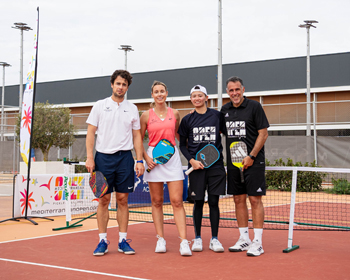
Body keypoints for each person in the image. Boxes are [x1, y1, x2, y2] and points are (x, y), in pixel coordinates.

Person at [85, 69, 145, 256]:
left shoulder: (132, 108)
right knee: (103, 200)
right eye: (118, 83)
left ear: (128, 87)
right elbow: (90, 133)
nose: (120, 87)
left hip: (125, 159)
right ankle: (102, 240)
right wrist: (89, 157)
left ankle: (122, 240)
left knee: (122, 200)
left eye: (124, 84)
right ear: (112, 84)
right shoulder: (100, 105)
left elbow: (137, 136)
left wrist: (140, 159)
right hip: (103, 158)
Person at [140, 81, 191, 256]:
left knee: (177, 201)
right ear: (152, 95)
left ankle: (184, 242)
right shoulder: (146, 115)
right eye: (156, 92)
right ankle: (160, 239)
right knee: (157, 202)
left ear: (167, 93)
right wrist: (146, 159)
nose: (160, 94)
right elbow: (138, 140)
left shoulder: (174, 113)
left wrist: (192, 120)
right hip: (153, 158)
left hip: (172, 157)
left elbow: (179, 135)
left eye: (162, 91)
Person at [220, 76, 269, 257]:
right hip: (234, 164)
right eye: (231, 90)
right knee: (238, 200)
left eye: (237, 89)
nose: (234, 93)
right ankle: (244, 239)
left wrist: (251, 156)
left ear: (243, 89)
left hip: (253, 163)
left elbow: (263, 134)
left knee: (255, 200)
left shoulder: (254, 107)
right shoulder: (224, 110)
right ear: (227, 92)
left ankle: (258, 242)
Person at [178, 85, 226, 253]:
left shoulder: (217, 116)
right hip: (196, 168)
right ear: (191, 99)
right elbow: (182, 145)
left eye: (200, 95)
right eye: (194, 96)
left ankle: (215, 239)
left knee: (214, 202)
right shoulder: (187, 120)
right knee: (198, 202)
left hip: (216, 167)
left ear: (206, 97)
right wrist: (191, 161)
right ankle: (197, 238)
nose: (197, 98)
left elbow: (227, 133)